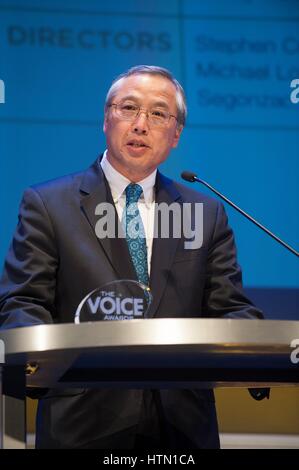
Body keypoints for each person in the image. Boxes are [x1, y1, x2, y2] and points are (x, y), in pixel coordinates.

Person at [0, 65, 265, 449]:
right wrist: (41, 364)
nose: (141, 124)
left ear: (175, 135)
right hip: (82, 424)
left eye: (158, 113)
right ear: (106, 119)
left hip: (182, 429)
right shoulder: (49, 204)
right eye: (128, 108)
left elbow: (229, 306)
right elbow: (22, 301)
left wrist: (253, 346)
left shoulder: (205, 214)